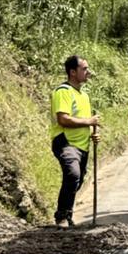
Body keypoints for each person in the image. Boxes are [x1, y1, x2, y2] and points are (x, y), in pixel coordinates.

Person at [50, 55, 100, 228]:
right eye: (84, 69)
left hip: (82, 144)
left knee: (78, 179)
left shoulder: (84, 95)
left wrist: (94, 132)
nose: (88, 72)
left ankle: (68, 215)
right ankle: (61, 216)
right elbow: (63, 119)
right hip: (66, 142)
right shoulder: (63, 92)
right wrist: (90, 122)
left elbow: (87, 120)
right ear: (72, 72)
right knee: (73, 174)